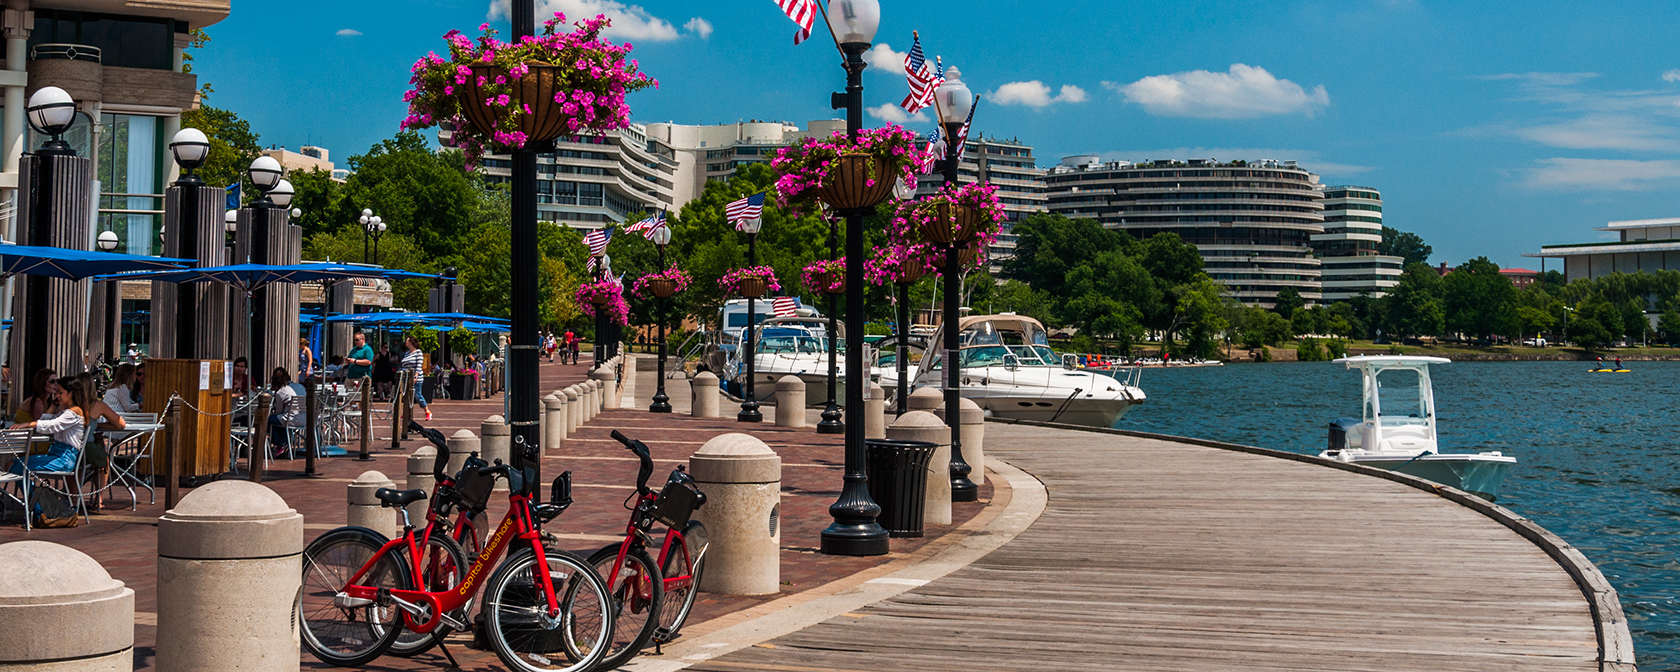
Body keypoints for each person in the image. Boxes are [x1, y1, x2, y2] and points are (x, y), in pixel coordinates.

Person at [7, 376, 88, 475]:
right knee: (11, 464)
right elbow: (44, 420)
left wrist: (28, 424)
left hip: (64, 459)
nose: (57, 396)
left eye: (60, 393)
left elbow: (53, 425)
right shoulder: (64, 410)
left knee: (18, 467)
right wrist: (54, 405)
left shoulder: (74, 411)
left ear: (71, 393)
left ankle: (32, 490)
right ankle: (33, 490)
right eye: (56, 393)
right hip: (55, 455)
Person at [267, 367, 304, 458]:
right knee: (281, 420)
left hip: (291, 419)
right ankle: (283, 443)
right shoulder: (300, 387)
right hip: (305, 418)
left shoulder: (281, 392)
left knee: (267, 420)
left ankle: (279, 443)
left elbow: (279, 411)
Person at [401, 336, 429, 421]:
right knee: (406, 396)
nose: (406, 342)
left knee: (417, 395)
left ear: (411, 342)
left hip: (415, 377)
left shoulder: (418, 352)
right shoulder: (407, 353)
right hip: (406, 377)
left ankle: (427, 411)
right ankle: (405, 413)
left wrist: (416, 376)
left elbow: (419, 365)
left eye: (407, 341)